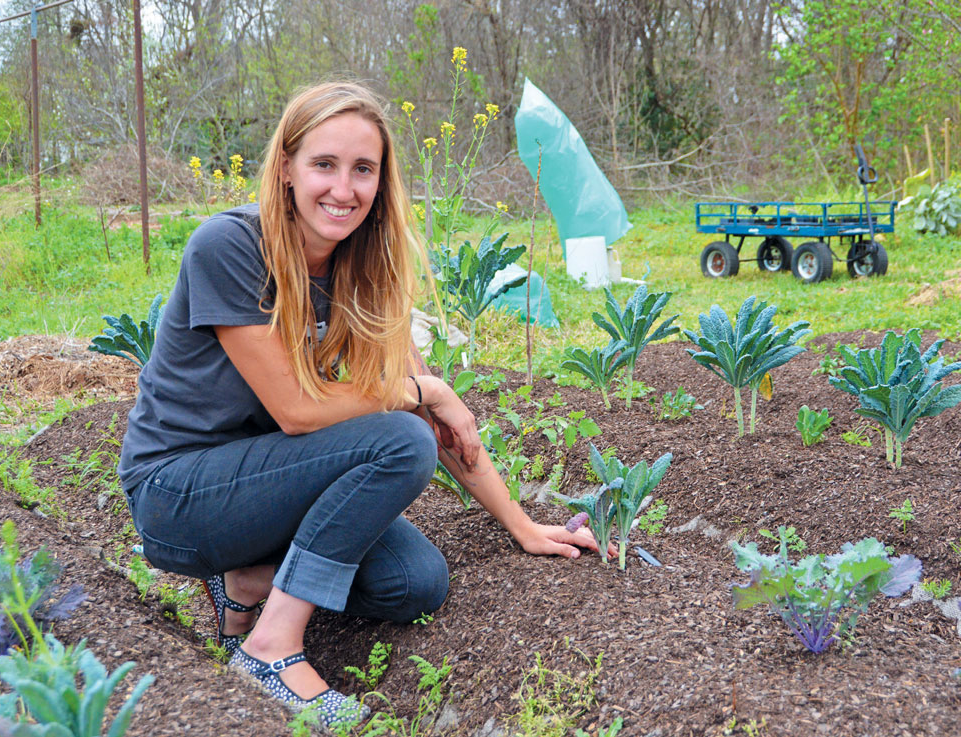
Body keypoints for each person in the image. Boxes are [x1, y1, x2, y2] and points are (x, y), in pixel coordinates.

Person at [117, 81, 599, 724]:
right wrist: (429, 390)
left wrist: (521, 525)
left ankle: (246, 583)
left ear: (380, 181)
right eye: (324, 164)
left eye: (363, 170)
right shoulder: (230, 247)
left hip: (271, 485)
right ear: (285, 168)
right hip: (178, 493)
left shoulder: (364, 269)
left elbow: (433, 419)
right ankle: (270, 647)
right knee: (400, 439)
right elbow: (301, 412)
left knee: (415, 583)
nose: (343, 189)